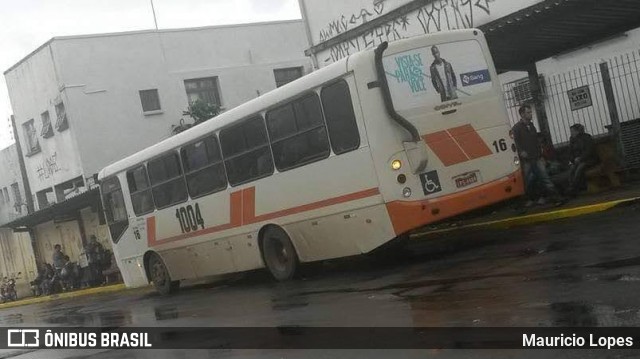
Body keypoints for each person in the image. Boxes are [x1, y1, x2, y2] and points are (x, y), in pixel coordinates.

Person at [512, 104, 561, 207]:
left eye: (530, 112)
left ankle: (555, 197)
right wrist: (521, 152)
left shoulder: (531, 126)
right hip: (527, 159)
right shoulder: (517, 128)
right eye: (528, 112)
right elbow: (515, 142)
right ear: (522, 114)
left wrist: (540, 155)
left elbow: (536, 142)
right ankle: (532, 199)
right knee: (528, 181)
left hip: (536, 157)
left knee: (543, 178)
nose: (531, 114)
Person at [566, 123, 599, 196]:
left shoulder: (587, 137)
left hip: (589, 159)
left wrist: (580, 158)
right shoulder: (572, 139)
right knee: (571, 169)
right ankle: (572, 186)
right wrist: (572, 160)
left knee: (580, 168)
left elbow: (589, 151)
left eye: (572, 131)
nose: (571, 133)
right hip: (577, 160)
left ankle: (574, 188)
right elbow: (570, 152)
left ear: (578, 131)